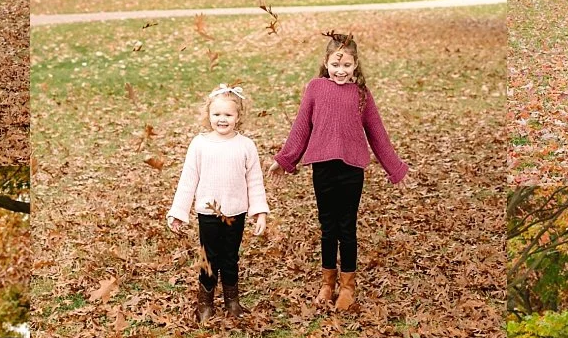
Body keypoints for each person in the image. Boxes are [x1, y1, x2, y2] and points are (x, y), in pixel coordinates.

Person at [274, 31, 409, 316]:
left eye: (346, 65)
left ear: (356, 65)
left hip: (351, 170)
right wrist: (285, 159)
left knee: (347, 228)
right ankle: (328, 282)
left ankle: (348, 285)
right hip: (323, 167)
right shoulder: (315, 88)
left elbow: (378, 134)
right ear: (326, 62)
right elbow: (301, 127)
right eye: (335, 65)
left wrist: (396, 169)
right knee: (327, 228)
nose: (340, 71)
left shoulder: (361, 94)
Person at [167, 85, 270, 322]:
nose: (222, 119)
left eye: (228, 115)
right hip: (208, 213)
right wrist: (178, 212)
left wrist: (259, 212)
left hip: (236, 211)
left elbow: (254, 181)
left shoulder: (246, 146)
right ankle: (205, 302)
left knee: (230, 256)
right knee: (209, 257)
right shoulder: (200, 144)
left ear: (238, 117)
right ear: (208, 115)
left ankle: (232, 301)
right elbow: (188, 179)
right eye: (217, 114)